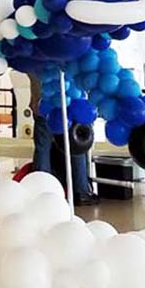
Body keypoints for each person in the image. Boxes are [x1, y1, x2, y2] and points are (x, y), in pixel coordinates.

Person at [29, 74, 98, 206]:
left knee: (42, 148)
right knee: (77, 148)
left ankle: (40, 190)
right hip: (72, 107)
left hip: (42, 106)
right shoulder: (69, 57)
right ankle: (81, 191)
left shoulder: (36, 57)